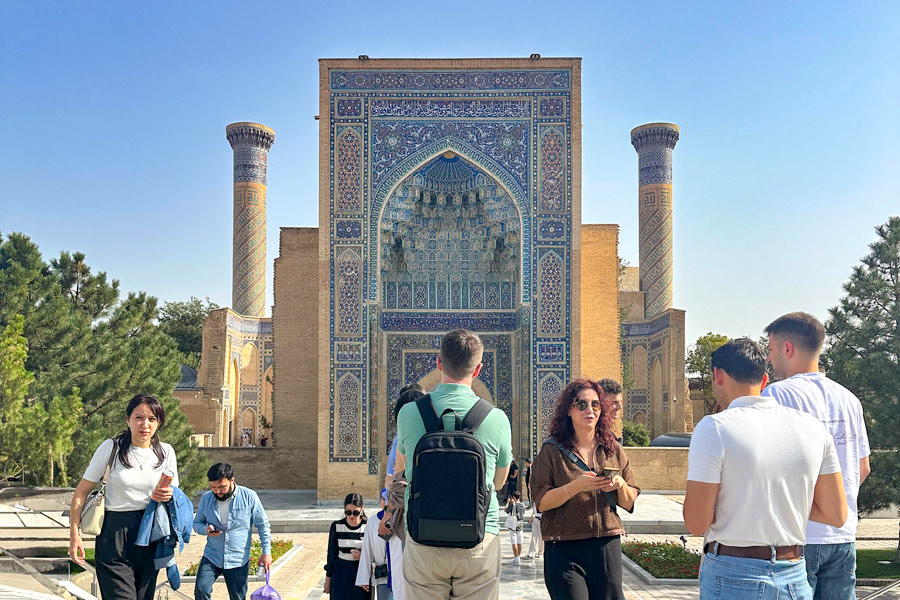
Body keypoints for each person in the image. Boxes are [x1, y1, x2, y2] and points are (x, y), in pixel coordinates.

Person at [683, 338, 848, 600]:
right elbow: (836, 514)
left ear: (717, 375)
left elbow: (696, 522)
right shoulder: (813, 428)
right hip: (793, 573)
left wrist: (749, 505)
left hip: (733, 573)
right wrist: (781, 506)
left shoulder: (714, 428)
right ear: (763, 380)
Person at [395, 329, 512, 600]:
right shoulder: (496, 418)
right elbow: (497, 482)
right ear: (479, 369)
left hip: (424, 538)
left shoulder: (409, 413)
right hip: (479, 539)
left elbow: (404, 468)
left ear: (438, 363)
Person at [762, 312, 871, 598]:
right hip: (844, 536)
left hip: (796, 539)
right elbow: (862, 468)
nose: (769, 359)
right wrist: (834, 504)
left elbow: (765, 469)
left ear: (787, 348)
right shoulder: (849, 399)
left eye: (771, 349)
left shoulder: (776, 396)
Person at [530, 379, 640, 600]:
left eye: (595, 405)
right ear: (569, 410)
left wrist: (620, 484)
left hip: (605, 543)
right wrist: (574, 487)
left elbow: (629, 502)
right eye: (581, 404)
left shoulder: (613, 449)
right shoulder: (552, 452)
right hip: (564, 547)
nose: (589, 410)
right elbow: (541, 502)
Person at [68, 394, 180, 600]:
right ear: (127, 420)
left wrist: (169, 494)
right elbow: (81, 492)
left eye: (152, 419)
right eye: (138, 417)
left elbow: (174, 496)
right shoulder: (111, 448)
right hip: (114, 534)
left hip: (149, 533)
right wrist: (75, 535)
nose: (144, 424)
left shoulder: (166, 452)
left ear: (159, 423)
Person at [192, 463, 272, 600]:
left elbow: (263, 525)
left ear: (232, 480)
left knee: (238, 597)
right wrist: (205, 530)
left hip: (238, 559)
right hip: (212, 556)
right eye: (213, 488)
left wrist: (266, 552)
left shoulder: (249, 496)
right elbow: (196, 523)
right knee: (201, 589)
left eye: (222, 487)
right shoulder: (206, 498)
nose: (217, 491)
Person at [356, 496, 403, 600]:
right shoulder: (373, 521)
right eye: (383, 498)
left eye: (389, 498)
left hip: (401, 573)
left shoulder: (401, 519)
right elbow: (367, 549)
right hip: (383, 576)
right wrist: (364, 577)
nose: (386, 502)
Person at [325, 493, 368, 599]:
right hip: (340, 574)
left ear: (362, 509)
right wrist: (327, 580)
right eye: (348, 512)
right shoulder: (336, 526)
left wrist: (362, 556)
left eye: (356, 512)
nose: (352, 516)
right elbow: (331, 554)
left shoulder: (368, 526)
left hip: (360, 575)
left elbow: (374, 553)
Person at [597, 379, 624, 445]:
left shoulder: (607, 435)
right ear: (601, 402)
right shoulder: (591, 435)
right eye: (615, 402)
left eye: (620, 402)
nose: (619, 407)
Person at [504, 491, 526, 565]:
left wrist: (507, 503)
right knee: (519, 542)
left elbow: (506, 510)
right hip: (520, 524)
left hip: (513, 525)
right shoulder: (523, 505)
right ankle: (518, 556)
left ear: (513, 497)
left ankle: (516, 558)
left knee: (514, 542)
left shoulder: (512, 505)